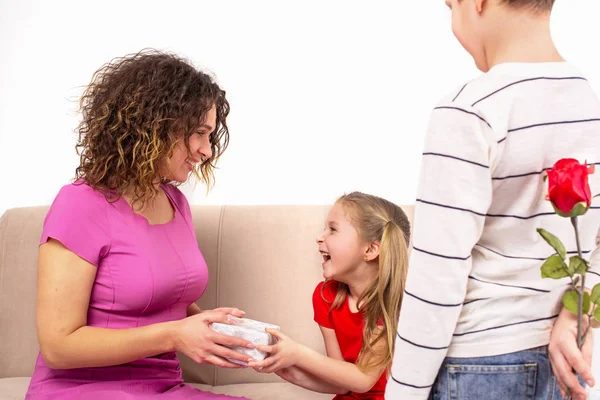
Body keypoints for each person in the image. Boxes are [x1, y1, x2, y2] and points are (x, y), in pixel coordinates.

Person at [385, 1, 600, 399]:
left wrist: (403, 392)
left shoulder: (470, 109)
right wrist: (575, 315)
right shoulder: (588, 102)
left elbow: (437, 275)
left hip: (475, 366)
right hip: (559, 357)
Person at [25, 49, 253, 399]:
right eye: (198, 133)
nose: (207, 150)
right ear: (155, 127)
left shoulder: (176, 203)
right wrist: (175, 335)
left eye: (210, 135)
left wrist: (209, 325)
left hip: (164, 386)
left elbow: (161, 300)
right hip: (83, 388)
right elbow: (58, 346)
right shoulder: (80, 204)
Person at [248, 192, 411, 399]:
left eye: (332, 230)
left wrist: (297, 353)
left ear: (370, 249)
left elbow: (362, 380)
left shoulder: (392, 301)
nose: (320, 236)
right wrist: (286, 369)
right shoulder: (326, 296)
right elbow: (341, 383)